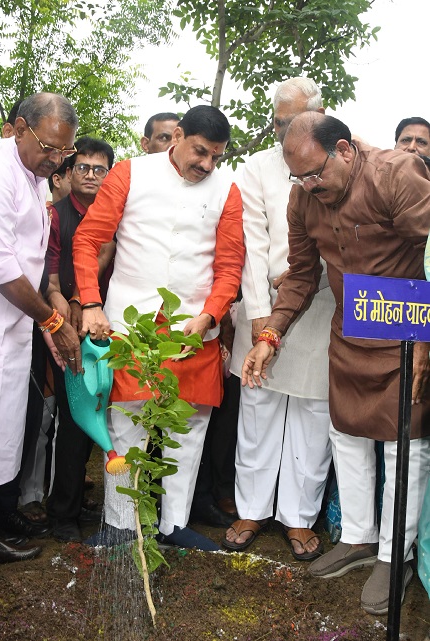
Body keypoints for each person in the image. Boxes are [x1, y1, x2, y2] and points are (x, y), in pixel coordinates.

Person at [242, 112, 430, 615]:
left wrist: (429, 338)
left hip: (408, 329)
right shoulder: (303, 198)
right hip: (350, 329)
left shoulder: (397, 174)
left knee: (403, 447)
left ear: (344, 150)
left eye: (315, 173)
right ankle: (359, 537)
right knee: (345, 435)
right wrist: (270, 335)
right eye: (297, 177)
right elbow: (301, 275)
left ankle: (396, 554)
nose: (308, 185)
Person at [75, 105, 245, 550]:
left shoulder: (228, 189)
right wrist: (91, 302)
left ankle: (174, 524)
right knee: (127, 425)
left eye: (216, 157)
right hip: (131, 322)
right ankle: (119, 524)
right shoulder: (131, 173)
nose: (206, 165)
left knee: (186, 432)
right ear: (178, 136)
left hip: (193, 330)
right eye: (201, 152)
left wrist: (209, 316)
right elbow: (88, 239)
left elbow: (230, 267)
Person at [0, 93, 81, 570]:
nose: (56, 160)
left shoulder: (34, 175)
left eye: (64, 153)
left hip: (17, 323)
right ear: (17, 128)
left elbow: (34, 254)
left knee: (4, 432)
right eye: (49, 148)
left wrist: (50, 302)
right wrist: (52, 320)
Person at [223, 78, 334, 561]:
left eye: (292, 122)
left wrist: (313, 279)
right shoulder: (258, 167)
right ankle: (251, 508)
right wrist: (257, 308)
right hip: (265, 300)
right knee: (258, 408)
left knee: (313, 413)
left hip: (323, 301)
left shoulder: (337, 159)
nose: (283, 132)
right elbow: (250, 244)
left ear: (320, 115)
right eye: (278, 122)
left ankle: (298, 517)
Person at [44, 136, 115, 542]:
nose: (90, 175)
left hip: (107, 324)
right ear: (67, 174)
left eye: (99, 169)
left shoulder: (116, 215)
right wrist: (66, 311)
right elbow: (49, 276)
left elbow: (106, 254)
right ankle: (62, 513)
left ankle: (84, 503)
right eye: (82, 168)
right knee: (73, 418)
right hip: (63, 327)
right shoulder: (54, 215)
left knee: (103, 414)